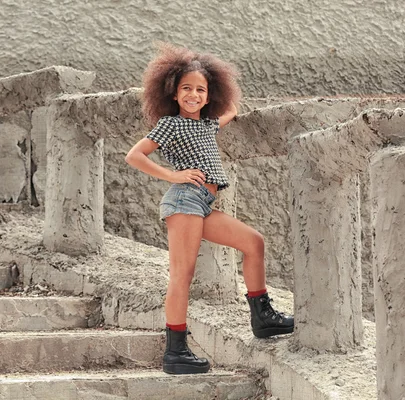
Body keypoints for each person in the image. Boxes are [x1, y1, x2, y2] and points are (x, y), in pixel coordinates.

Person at [125, 43, 294, 375]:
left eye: (200, 90)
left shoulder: (207, 125)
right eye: (186, 88)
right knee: (182, 276)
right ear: (173, 93)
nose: (193, 94)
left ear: (208, 95)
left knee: (254, 242)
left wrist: (217, 80)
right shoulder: (170, 124)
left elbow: (231, 107)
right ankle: (175, 352)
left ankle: (263, 318)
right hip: (184, 201)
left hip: (202, 204)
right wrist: (172, 175)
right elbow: (134, 155)